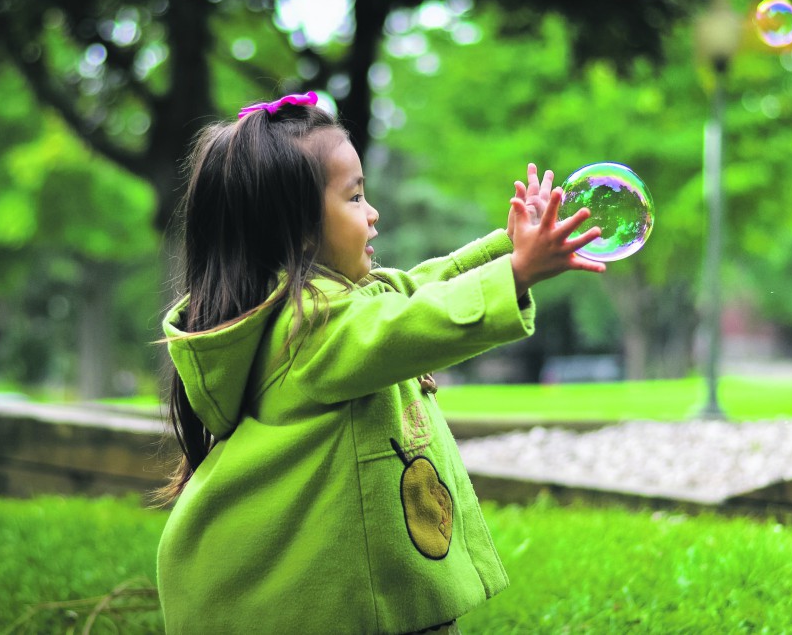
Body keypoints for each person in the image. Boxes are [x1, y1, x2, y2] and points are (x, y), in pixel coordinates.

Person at [155, 91, 605, 634]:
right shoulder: (309, 328)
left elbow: (416, 289)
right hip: (347, 609)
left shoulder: (336, 303)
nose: (373, 213)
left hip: (360, 593)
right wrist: (515, 276)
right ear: (296, 229)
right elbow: (410, 324)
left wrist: (507, 250)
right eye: (353, 197)